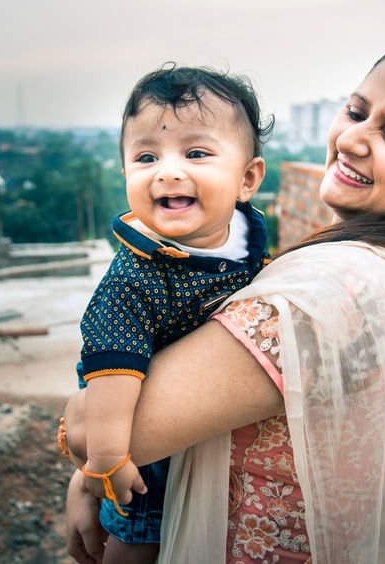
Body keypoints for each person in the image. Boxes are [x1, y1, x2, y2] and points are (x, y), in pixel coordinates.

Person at [64, 33, 385, 563]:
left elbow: (91, 428)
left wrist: (93, 470)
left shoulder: (337, 286)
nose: (351, 140)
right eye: (355, 111)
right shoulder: (381, 270)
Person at [71, 65, 273, 563]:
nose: (166, 170)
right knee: (137, 543)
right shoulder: (135, 277)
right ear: (125, 176)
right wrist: (102, 462)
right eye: (145, 157)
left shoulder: (245, 240)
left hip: (214, 439)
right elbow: (111, 369)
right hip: (143, 457)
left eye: (196, 153)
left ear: (247, 179)